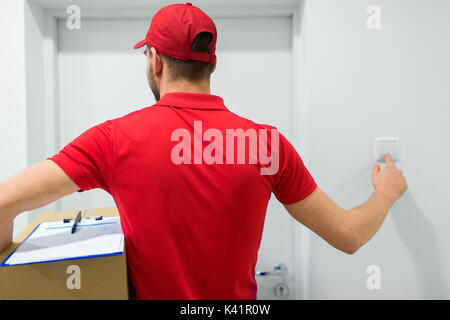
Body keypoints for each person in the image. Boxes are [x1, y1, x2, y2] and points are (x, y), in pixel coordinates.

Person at [0, 3, 407, 299]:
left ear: (154, 61)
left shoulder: (114, 140)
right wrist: (386, 192)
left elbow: (4, 202)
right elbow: (349, 236)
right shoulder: (266, 144)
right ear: (212, 65)